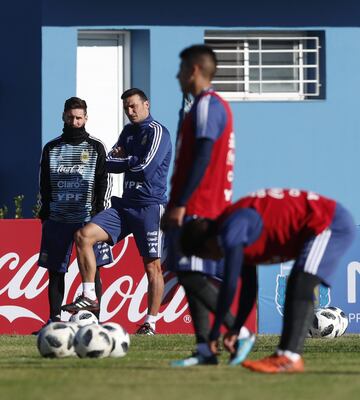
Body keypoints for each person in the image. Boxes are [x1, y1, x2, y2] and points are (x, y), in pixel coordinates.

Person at [180, 188, 356, 373]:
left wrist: (214, 334)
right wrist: (236, 328)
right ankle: (286, 356)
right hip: (322, 222)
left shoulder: (232, 230)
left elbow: (230, 286)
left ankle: (288, 357)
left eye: (204, 256)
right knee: (298, 283)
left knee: (301, 283)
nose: (213, 260)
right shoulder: (235, 231)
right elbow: (249, 288)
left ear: (207, 243)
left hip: (330, 223)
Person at [61, 88, 172, 335]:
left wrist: (127, 159)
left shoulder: (157, 132)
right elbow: (108, 162)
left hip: (150, 207)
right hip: (124, 206)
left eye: (133, 106)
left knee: (152, 266)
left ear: (146, 104)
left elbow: (145, 168)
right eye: (126, 108)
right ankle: (89, 296)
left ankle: (150, 323)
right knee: (83, 236)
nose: (130, 112)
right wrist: (128, 160)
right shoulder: (128, 131)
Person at [161, 44, 242, 366]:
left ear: (194, 69)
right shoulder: (203, 106)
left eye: (181, 69)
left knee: (189, 274)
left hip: (200, 204)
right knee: (189, 274)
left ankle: (237, 330)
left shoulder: (208, 105)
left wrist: (181, 202)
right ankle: (205, 349)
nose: (178, 76)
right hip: (198, 202)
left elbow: (204, 156)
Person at [37, 96, 112, 329]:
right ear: (63, 117)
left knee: (93, 271)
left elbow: (104, 182)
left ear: (86, 118)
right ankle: (54, 320)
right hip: (58, 218)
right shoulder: (51, 147)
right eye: (70, 117)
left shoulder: (96, 147)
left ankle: (95, 322)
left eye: (79, 117)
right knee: (55, 271)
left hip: (87, 220)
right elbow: (44, 183)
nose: (74, 121)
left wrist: (100, 214)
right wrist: (46, 211)